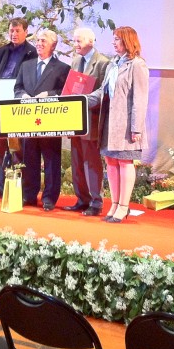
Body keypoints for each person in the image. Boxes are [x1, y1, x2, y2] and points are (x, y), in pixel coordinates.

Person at [88, 26, 149, 223]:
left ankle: (124, 206)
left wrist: (136, 128)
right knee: (111, 161)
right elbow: (102, 91)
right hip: (109, 122)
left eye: (117, 39)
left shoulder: (137, 65)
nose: (113, 43)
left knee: (124, 162)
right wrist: (82, 100)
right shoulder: (113, 64)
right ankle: (114, 204)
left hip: (126, 124)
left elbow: (140, 98)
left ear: (127, 41)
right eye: (113, 39)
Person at [0, 18, 37, 199]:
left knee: (17, 148)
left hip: (17, 106)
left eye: (17, 30)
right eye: (11, 30)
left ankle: (16, 188)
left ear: (26, 32)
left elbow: (31, 81)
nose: (14, 34)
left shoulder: (32, 52)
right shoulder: (2, 51)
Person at [14, 29, 70, 210]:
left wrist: (50, 94)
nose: (39, 43)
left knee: (51, 160)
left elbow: (65, 91)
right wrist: (22, 95)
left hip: (50, 121)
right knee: (29, 158)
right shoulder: (26, 66)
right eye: (38, 40)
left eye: (43, 41)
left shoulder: (62, 68)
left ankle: (49, 198)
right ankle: (29, 195)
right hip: (28, 120)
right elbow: (17, 87)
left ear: (53, 45)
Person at [63, 27, 110, 217]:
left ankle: (96, 202)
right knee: (76, 160)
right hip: (74, 118)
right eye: (74, 41)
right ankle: (81, 199)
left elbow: (104, 91)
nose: (75, 44)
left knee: (91, 162)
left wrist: (84, 101)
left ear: (90, 41)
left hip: (91, 118)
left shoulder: (103, 63)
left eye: (78, 41)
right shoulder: (75, 61)